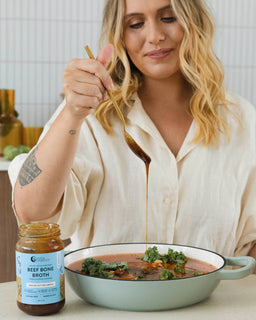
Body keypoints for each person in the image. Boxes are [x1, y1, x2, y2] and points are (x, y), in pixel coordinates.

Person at [8, 0, 256, 267]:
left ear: (194, 22)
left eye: (169, 18)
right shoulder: (89, 116)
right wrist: (72, 113)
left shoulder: (241, 119)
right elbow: (32, 214)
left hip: (216, 305)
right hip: (107, 306)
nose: (154, 36)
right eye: (136, 24)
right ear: (120, 35)